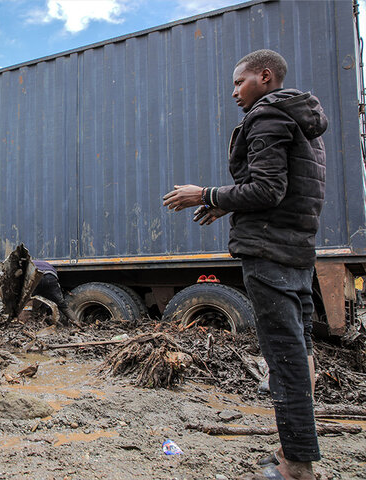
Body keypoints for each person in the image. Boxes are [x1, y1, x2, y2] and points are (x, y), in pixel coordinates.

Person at [163, 49, 327, 480]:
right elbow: (286, 189)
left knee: (284, 359)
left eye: (240, 82)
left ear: (266, 77)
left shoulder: (267, 117)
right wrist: (227, 206)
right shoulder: (303, 121)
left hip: (268, 251)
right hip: (298, 249)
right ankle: (292, 447)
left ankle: (296, 466)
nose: (235, 92)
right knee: (301, 352)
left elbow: (268, 189)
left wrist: (207, 195)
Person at [32, 260, 80, 327]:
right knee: (63, 305)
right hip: (51, 278)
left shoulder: (27, 262)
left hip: (37, 277)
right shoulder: (45, 263)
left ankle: (28, 321)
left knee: (27, 300)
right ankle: (77, 323)